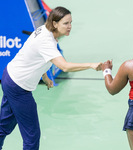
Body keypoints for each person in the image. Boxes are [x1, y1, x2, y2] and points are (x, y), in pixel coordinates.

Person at [0, 7, 102, 150]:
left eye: (71, 22)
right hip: (19, 87)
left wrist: (45, 76)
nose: (70, 27)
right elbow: (64, 66)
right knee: (31, 137)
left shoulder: (44, 30)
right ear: (55, 24)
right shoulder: (46, 41)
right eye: (66, 23)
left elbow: (39, 57)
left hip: (9, 76)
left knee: (3, 127)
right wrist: (91, 65)